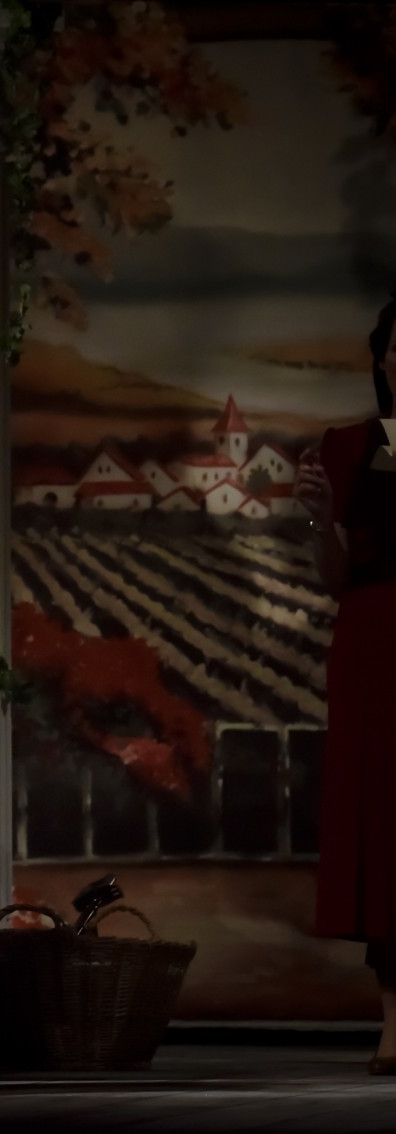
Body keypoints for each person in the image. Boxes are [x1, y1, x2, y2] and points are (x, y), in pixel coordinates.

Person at [298, 292, 396, 1076]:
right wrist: (321, 518)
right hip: (373, 651)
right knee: (384, 830)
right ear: (383, 359)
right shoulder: (349, 448)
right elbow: (333, 576)